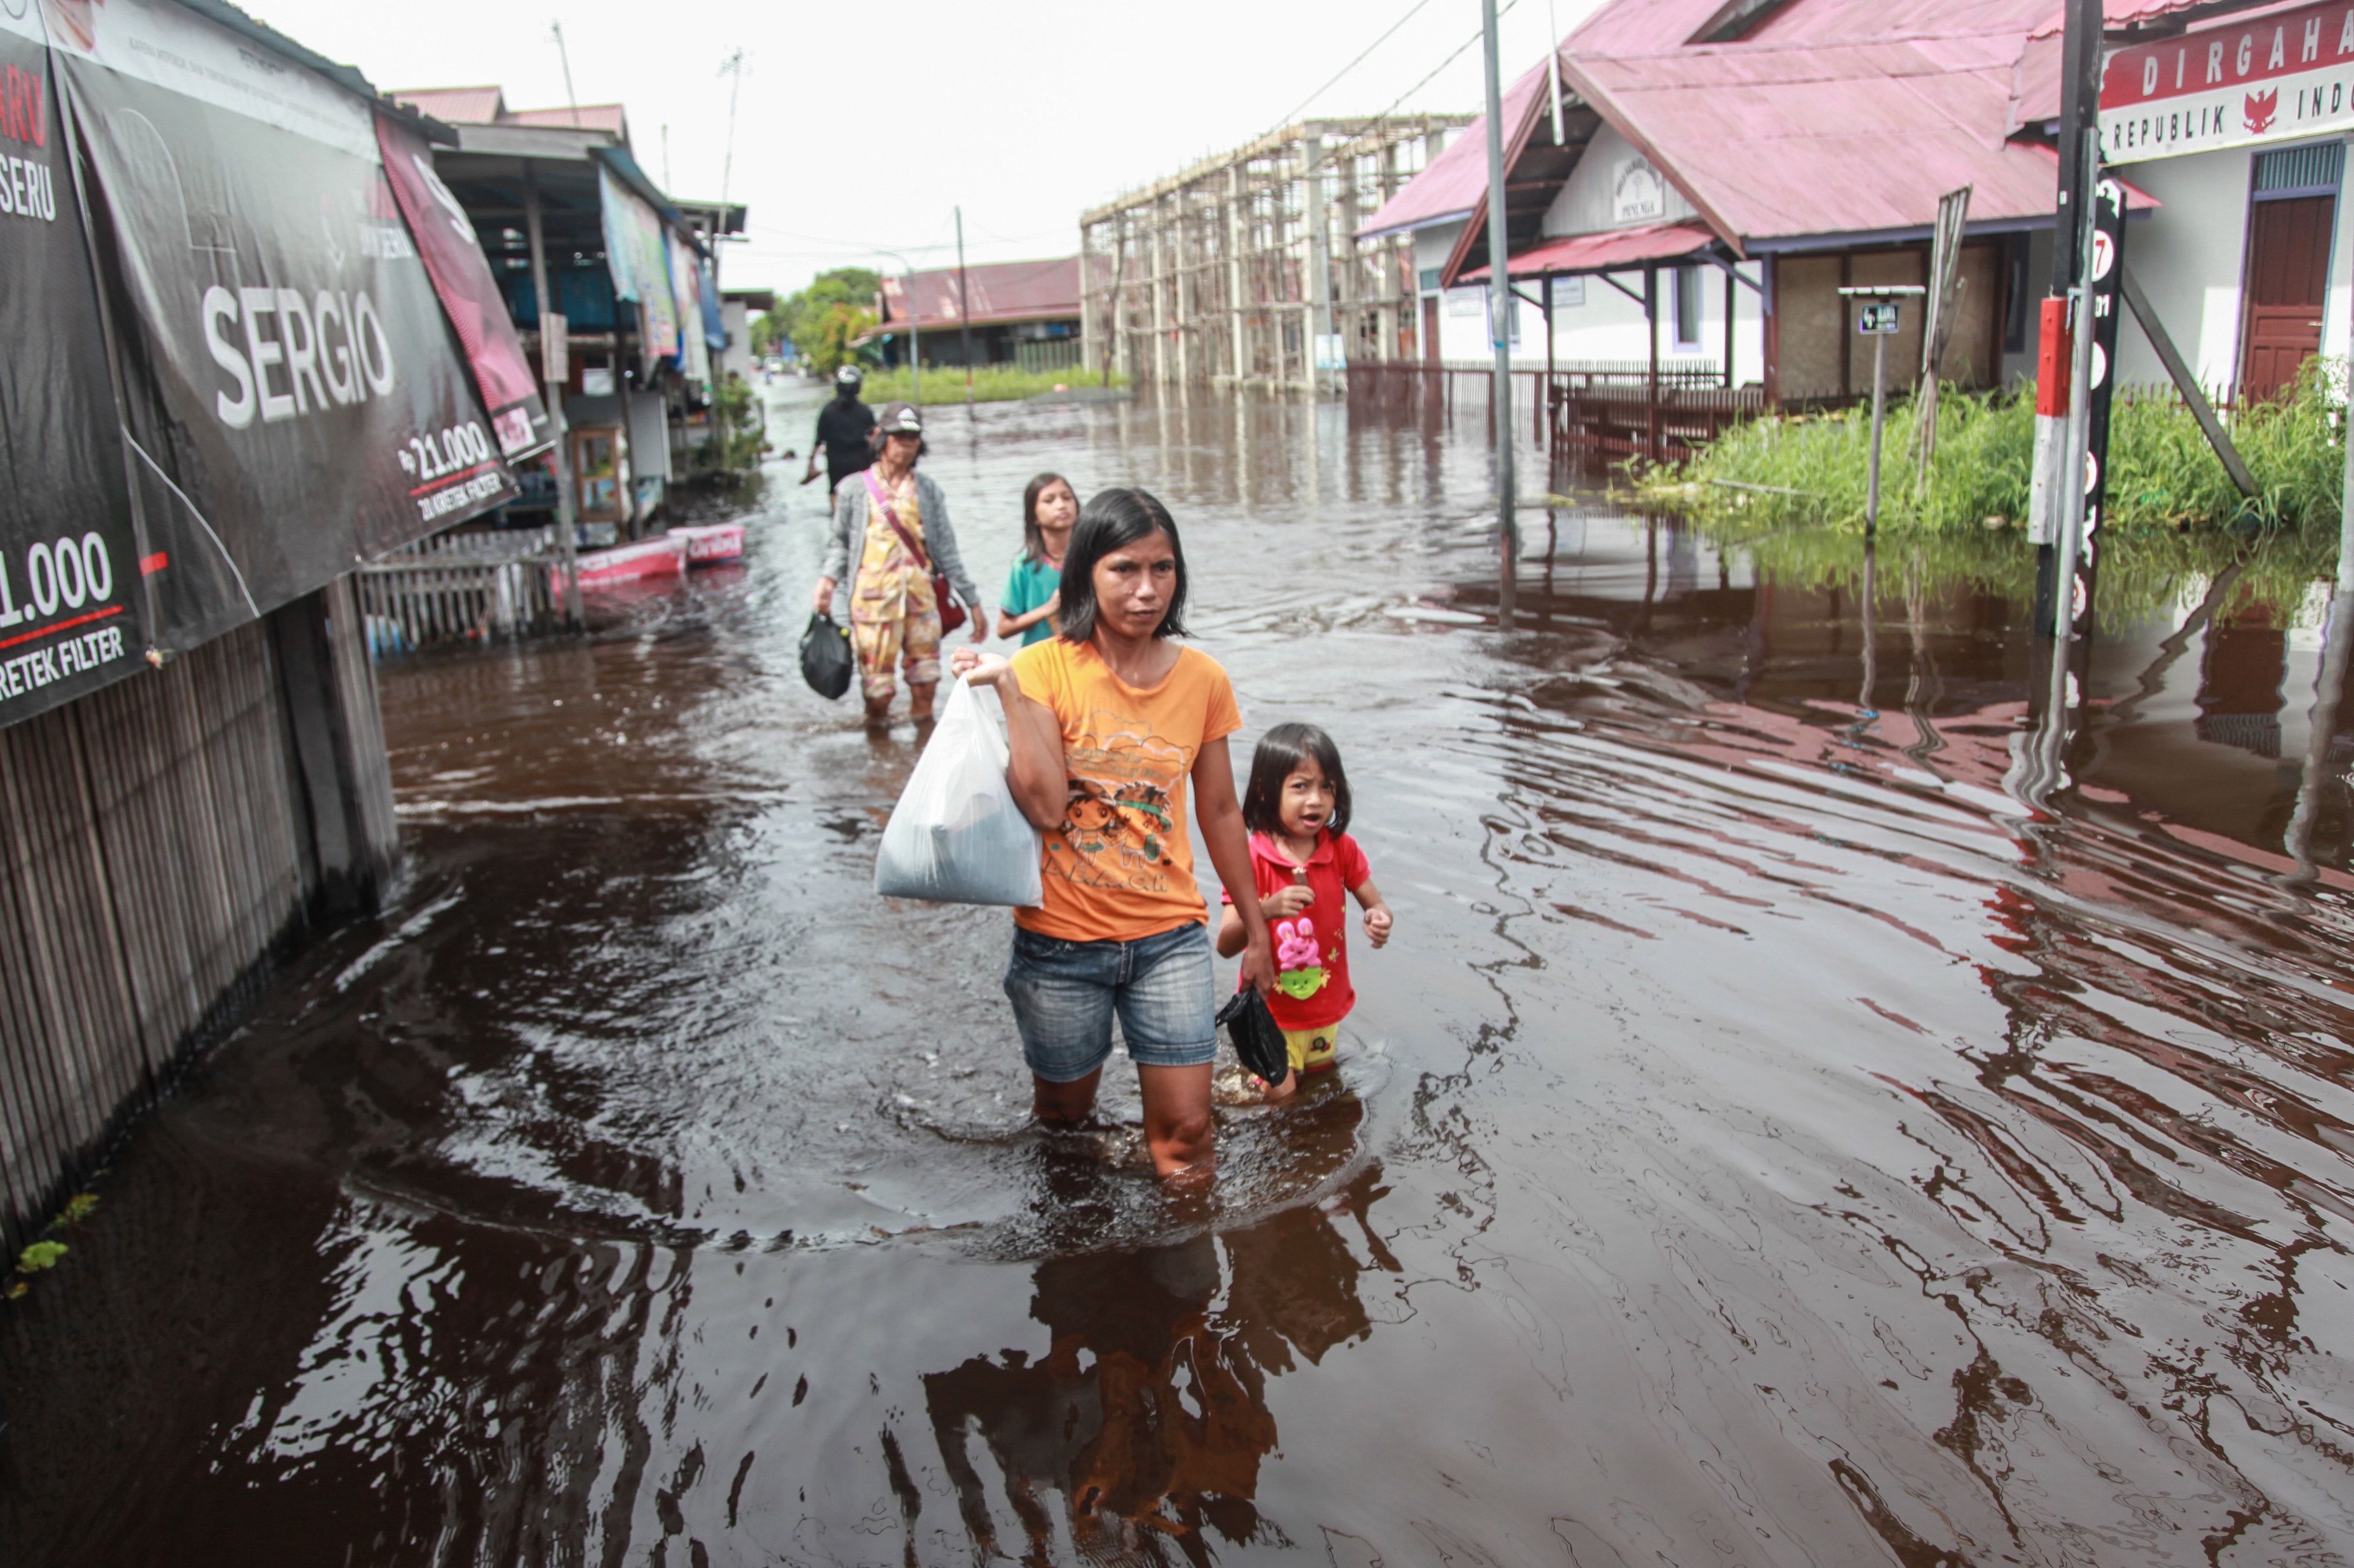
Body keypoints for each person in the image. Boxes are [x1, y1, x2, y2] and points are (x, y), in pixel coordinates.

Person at [952, 489, 1276, 1180]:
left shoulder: (1203, 678)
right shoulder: (1042, 668)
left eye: (1162, 569)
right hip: (1060, 943)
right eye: (1123, 569)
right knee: (1066, 1125)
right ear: (1085, 575)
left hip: (1169, 940)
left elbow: (1220, 812)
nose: (1145, 589)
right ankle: (1085, 1271)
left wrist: (1256, 929)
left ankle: (1185, 1288)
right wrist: (1008, 691)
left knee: (1187, 1137)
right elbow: (1042, 805)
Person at [1214, 724, 1392, 1101]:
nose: (1316, 800)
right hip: (1271, 1012)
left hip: (1324, 1008)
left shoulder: (1341, 849)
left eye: (1326, 787)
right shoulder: (1251, 858)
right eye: (1300, 786)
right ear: (1266, 791)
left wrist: (1378, 918)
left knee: (1321, 1090)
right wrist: (1265, 910)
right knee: (1284, 1102)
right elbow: (1226, 944)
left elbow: (1374, 903)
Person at [813, 402, 984, 725]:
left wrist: (972, 602)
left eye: (913, 437)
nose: (906, 444)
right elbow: (840, 543)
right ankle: (880, 763)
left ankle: (920, 756)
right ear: (881, 438)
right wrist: (827, 581)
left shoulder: (928, 491)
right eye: (899, 436)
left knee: (926, 686)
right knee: (878, 694)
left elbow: (947, 551)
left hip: (922, 604)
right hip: (873, 606)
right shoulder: (853, 489)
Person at [995, 473, 1076, 647]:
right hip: (1040, 664)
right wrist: (1047, 610)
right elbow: (1003, 628)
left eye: (1067, 498)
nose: (1062, 505)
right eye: (1049, 500)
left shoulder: (1094, 560)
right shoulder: (1025, 567)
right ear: (1035, 517)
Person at [801, 365, 876, 492]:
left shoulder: (828, 411)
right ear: (858, 387)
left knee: (835, 491)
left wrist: (811, 463)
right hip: (861, 462)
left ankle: (835, 512)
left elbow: (819, 440)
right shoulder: (865, 411)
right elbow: (875, 437)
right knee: (864, 493)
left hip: (836, 463)